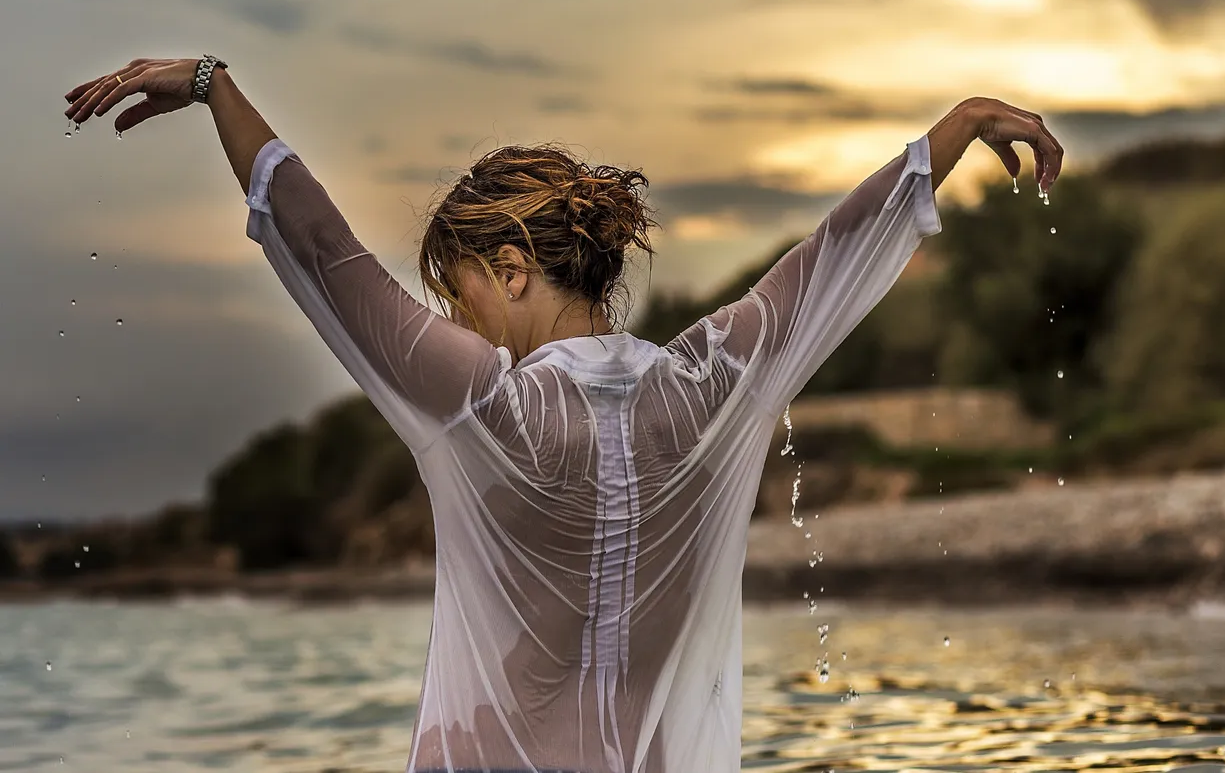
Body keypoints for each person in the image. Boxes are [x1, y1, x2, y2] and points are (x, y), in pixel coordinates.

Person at [63, 57, 1063, 773]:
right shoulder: (709, 385)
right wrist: (957, 125)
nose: (461, 324)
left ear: (510, 268)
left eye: (461, 295)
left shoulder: (485, 406)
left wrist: (212, 88)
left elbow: (328, 255)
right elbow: (831, 259)